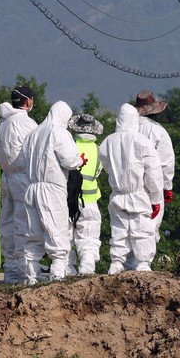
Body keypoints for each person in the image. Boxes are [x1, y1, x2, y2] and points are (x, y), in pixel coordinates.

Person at [20, 100, 87, 284]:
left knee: (32, 233)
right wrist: (80, 160)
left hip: (31, 188)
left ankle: (31, 276)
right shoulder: (59, 132)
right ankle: (58, 274)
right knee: (57, 231)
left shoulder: (32, 134)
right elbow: (69, 161)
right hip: (52, 188)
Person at [99, 104, 164, 273]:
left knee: (119, 229)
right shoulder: (142, 141)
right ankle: (143, 264)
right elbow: (154, 173)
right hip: (138, 193)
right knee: (142, 229)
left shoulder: (107, 142)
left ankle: (116, 263)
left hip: (118, 193)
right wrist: (156, 198)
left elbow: (106, 166)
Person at [0, 86, 37, 283]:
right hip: (22, 177)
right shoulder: (26, 123)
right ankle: (26, 270)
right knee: (23, 223)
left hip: (6, 177)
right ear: (28, 102)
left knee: (7, 224)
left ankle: (10, 270)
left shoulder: (2, 122)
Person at [135, 91, 175, 262]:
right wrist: (167, 187)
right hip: (153, 186)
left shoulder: (124, 129)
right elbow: (166, 162)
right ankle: (145, 265)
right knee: (150, 227)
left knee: (130, 228)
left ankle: (129, 266)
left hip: (129, 186)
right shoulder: (158, 131)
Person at [67, 113, 104, 275]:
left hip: (68, 199)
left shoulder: (70, 146)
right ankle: (87, 266)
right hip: (90, 198)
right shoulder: (99, 150)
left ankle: (66, 267)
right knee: (89, 234)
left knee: (66, 234)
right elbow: (98, 172)